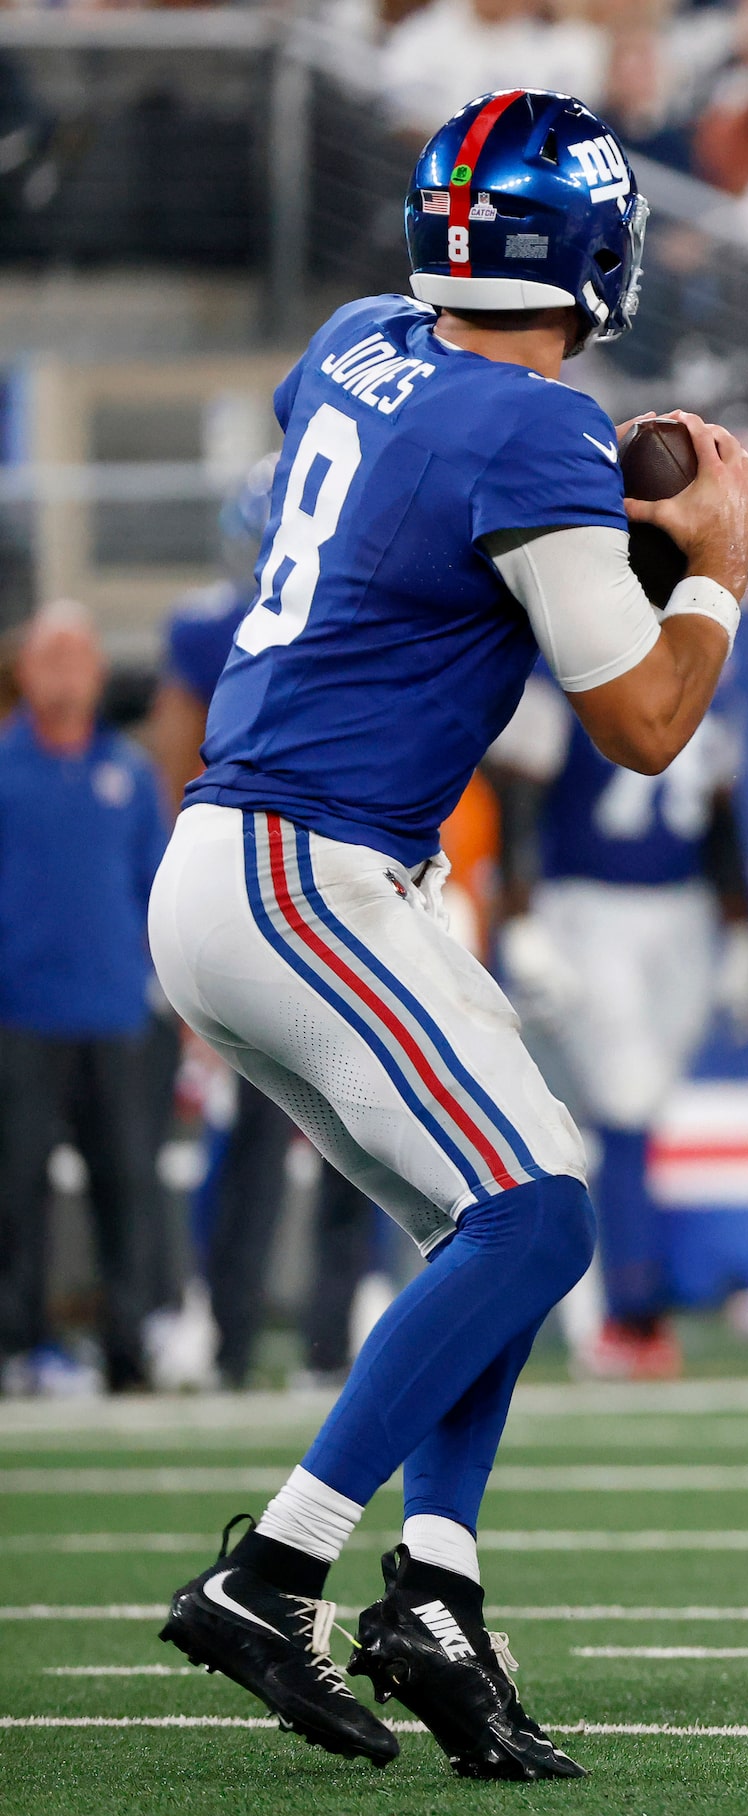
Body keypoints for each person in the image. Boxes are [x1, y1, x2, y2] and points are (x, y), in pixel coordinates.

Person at [150, 91, 748, 1778]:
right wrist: (712, 568)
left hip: (246, 861)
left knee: (490, 1229)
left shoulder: (353, 339)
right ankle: (275, 1566)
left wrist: (584, 493)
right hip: (306, 866)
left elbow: (403, 458)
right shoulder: (528, 432)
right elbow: (642, 723)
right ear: (601, 248)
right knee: (539, 1211)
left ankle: (435, 1588)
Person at [148, 467, 384, 1392]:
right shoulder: (210, 629)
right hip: (250, 894)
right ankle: (232, 1325)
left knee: (361, 1127)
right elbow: (176, 758)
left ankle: (331, 1327)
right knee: (255, 1130)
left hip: (337, 883)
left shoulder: (360, 610)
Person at [486, 678, 748, 1381]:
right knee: (625, 1105)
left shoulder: (710, 674)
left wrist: (741, 925)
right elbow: (518, 800)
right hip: (588, 908)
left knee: (639, 1105)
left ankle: (620, 1300)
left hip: (683, 910)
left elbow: (722, 813)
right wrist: (519, 918)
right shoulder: (562, 672)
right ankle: (634, 1312)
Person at [0, 604, 169, 1398]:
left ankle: (127, 1347)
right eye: (50, 655)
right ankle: (23, 1343)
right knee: (14, 1186)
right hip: (19, 1012)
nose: (66, 670)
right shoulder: (3, 769)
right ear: (23, 671)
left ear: (100, 671)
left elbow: (158, 889)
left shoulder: (130, 774)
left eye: (79, 654)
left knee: (126, 1185)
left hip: (114, 1014)